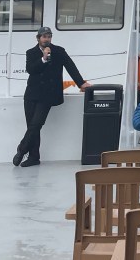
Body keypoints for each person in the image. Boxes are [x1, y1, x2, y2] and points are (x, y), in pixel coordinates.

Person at [13, 27, 90, 167]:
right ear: (38, 38)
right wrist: (43, 59)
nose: (47, 39)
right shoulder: (31, 53)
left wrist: (81, 83)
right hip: (32, 94)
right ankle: (34, 157)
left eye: (49, 36)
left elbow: (70, 66)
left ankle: (22, 149)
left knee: (37, 124)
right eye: (44, 37)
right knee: (32, 126)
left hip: (48, 94)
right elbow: (30, 69)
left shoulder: (59, 51)